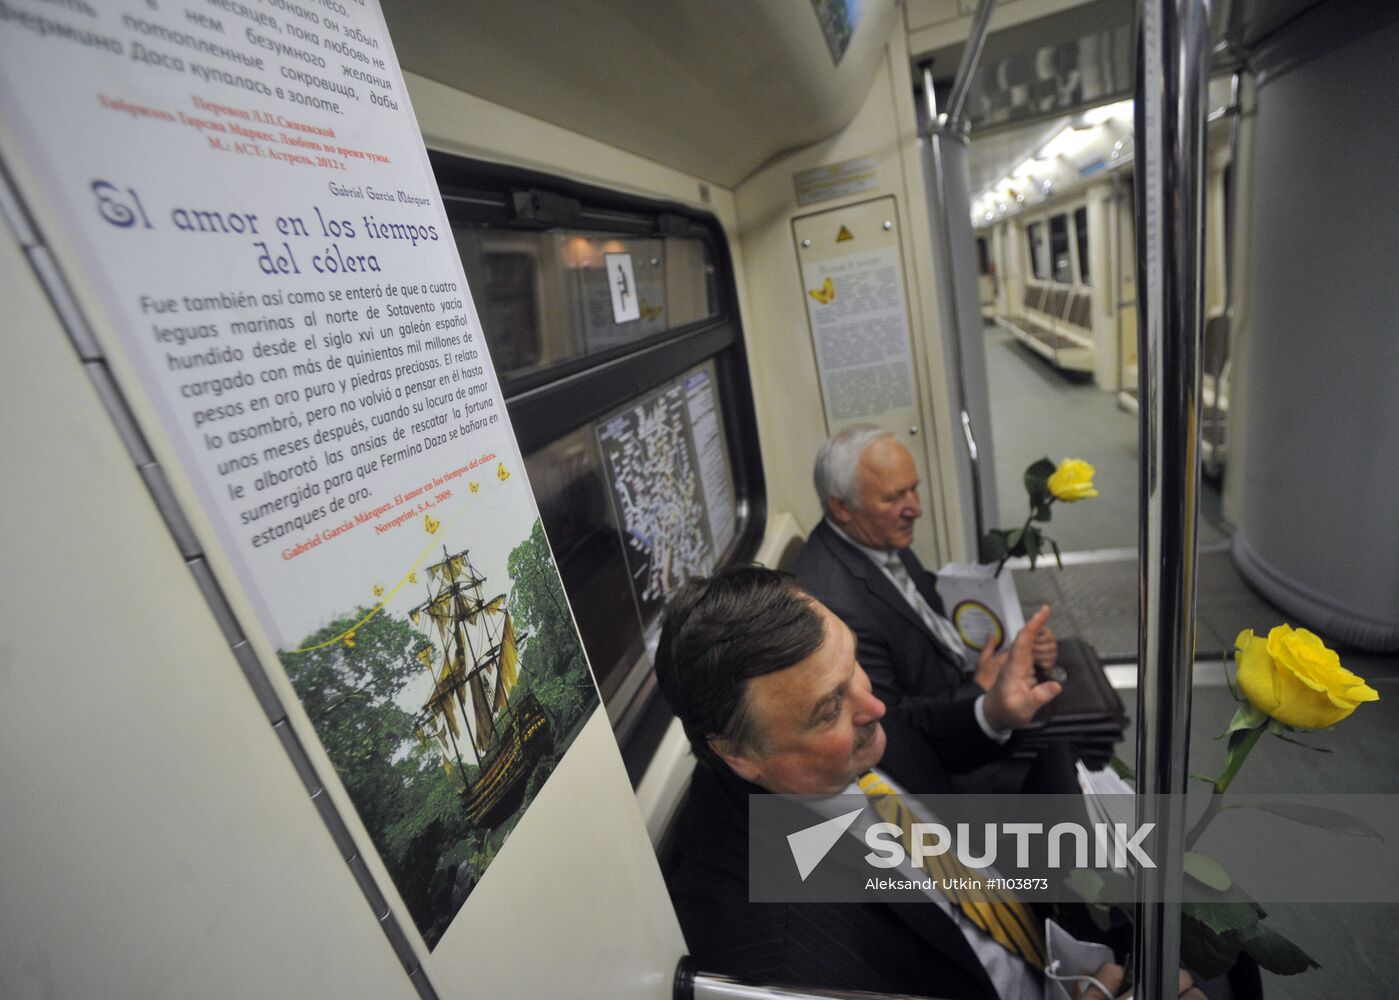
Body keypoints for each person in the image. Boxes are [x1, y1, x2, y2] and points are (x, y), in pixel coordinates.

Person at [655, 566, 1201, 1000]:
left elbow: (911, 726)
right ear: (737, 751)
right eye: (828, 711)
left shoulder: (818, 737)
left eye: (854, 665)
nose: (874, 706)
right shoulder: (786, 955)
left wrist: (993, 710)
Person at [793, 424, 1059, 755]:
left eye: (913, 489)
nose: (915, 508)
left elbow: (927, 607)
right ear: (841, 508)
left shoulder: (876, 537)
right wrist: (981, 690)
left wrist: (1016, 642)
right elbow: (892, 725)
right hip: (953, 750)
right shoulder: (833, 604)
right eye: (894, 497)